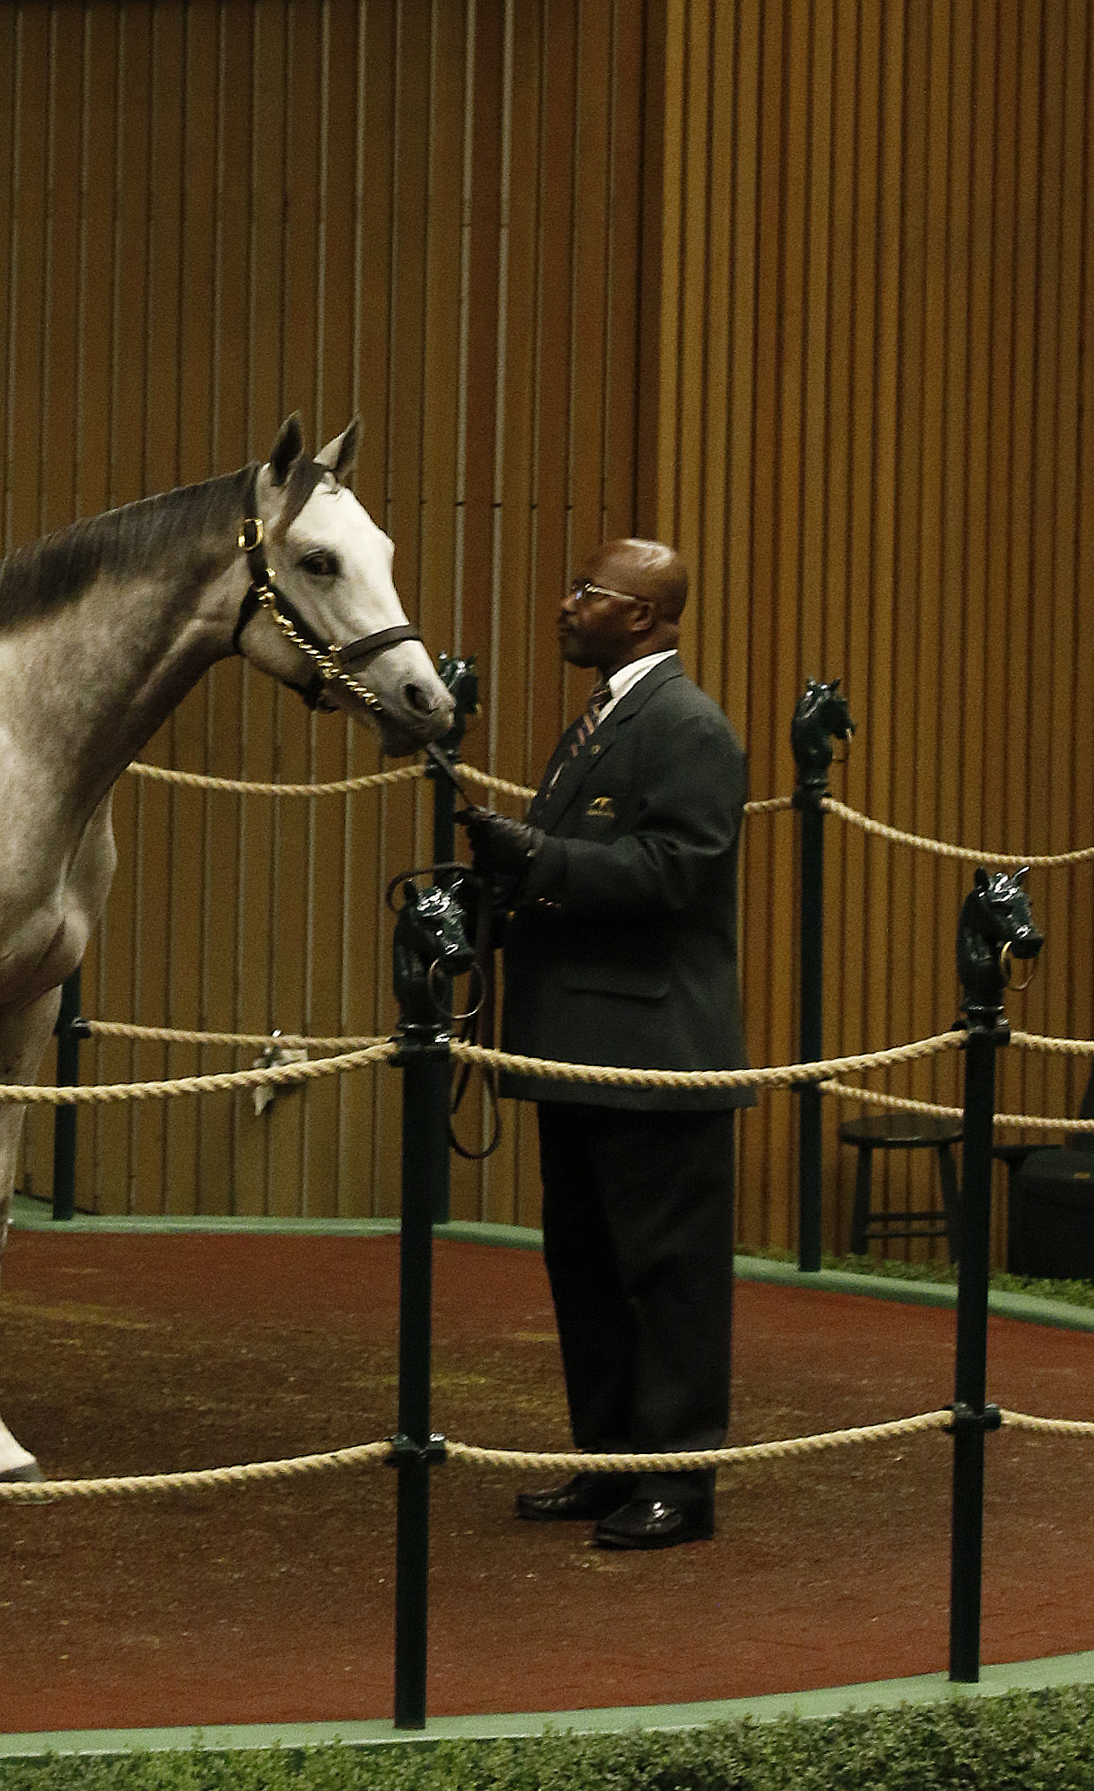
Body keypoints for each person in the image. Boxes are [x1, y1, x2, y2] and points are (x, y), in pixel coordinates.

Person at [457, 538, 750, 1552]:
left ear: (643, 615)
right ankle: (612, 1456)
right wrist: (502, 882)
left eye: (587, 591)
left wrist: (541, 855)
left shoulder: (686, 726)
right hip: (585, 1041)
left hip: (656, 1047)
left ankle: (677, 1481)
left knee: (665, 1275)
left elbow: (678, 870)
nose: (565, 604)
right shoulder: (603, 722)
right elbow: (592, 860)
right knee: (585, 1265)